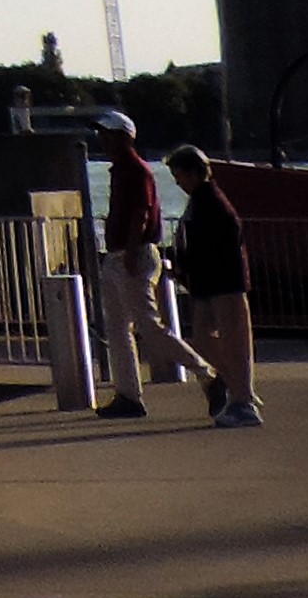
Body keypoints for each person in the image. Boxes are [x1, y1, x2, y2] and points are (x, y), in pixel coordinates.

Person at [84, 109, 215, 418]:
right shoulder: (121, 170)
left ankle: (207, 373)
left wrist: (129, 252)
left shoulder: (135, 170)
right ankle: (128, 395)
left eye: (107, 133)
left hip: (134, 253)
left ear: (124, 136)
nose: (102, 139)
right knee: (118, 329)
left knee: (148, 326)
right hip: (119, 254)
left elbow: (141, 214)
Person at [167, 144, 262, 426]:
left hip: (223, 281)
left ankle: (243, 400)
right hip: (208, 283)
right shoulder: (201, 199)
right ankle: (237, 388)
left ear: (195, 174)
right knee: (203, 339)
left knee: (233, 339)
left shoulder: (211, 201)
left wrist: (196, 266)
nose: (178, 182)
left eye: (180, 175)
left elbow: (226, 238)